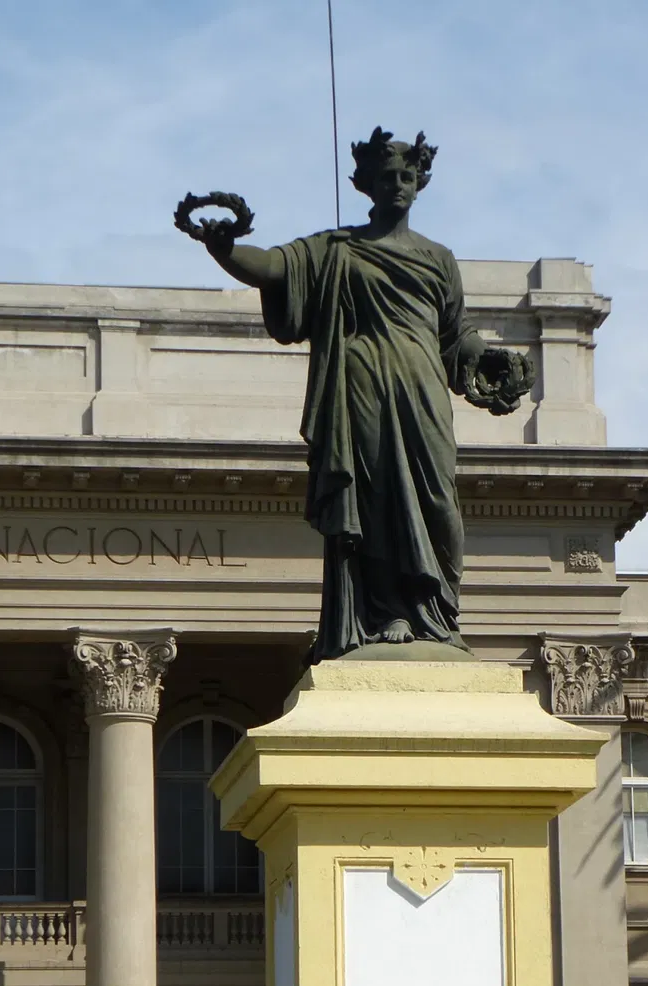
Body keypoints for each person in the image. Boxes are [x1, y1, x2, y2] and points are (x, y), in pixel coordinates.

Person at [187, 127, 532, 662]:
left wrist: (485, 359)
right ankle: (387, 611)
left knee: (437, 500)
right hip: (363, 383)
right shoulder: (337, 250)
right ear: (366, 185)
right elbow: (274, 268)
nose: (397, 185)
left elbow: (455, 334)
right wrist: (224, 248)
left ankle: (437, 611)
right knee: (375, 500)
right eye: (386, 177)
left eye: (407, 176)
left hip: (422, 391)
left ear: (420, 184)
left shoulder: (439, 259)